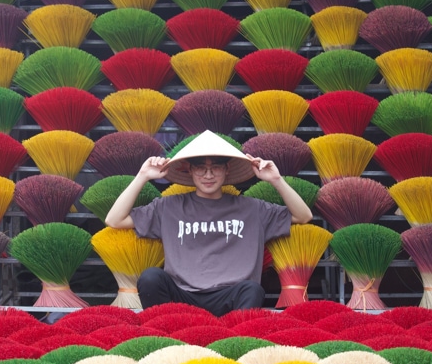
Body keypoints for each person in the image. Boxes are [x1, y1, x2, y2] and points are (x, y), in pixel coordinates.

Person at [105, 131, 313, 316]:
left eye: (215, 167)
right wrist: (142, 176)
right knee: (151, 277)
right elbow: (114, 220)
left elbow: (303, 216)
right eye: (201, 168)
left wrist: (276, 179)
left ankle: (233, 342)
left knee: (252, 289)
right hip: (182, 296)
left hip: (231, 297)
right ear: (189, 171)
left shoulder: (253, 209)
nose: (208, 175)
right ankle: (166, 333)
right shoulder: (168, 207)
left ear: (227, 170)